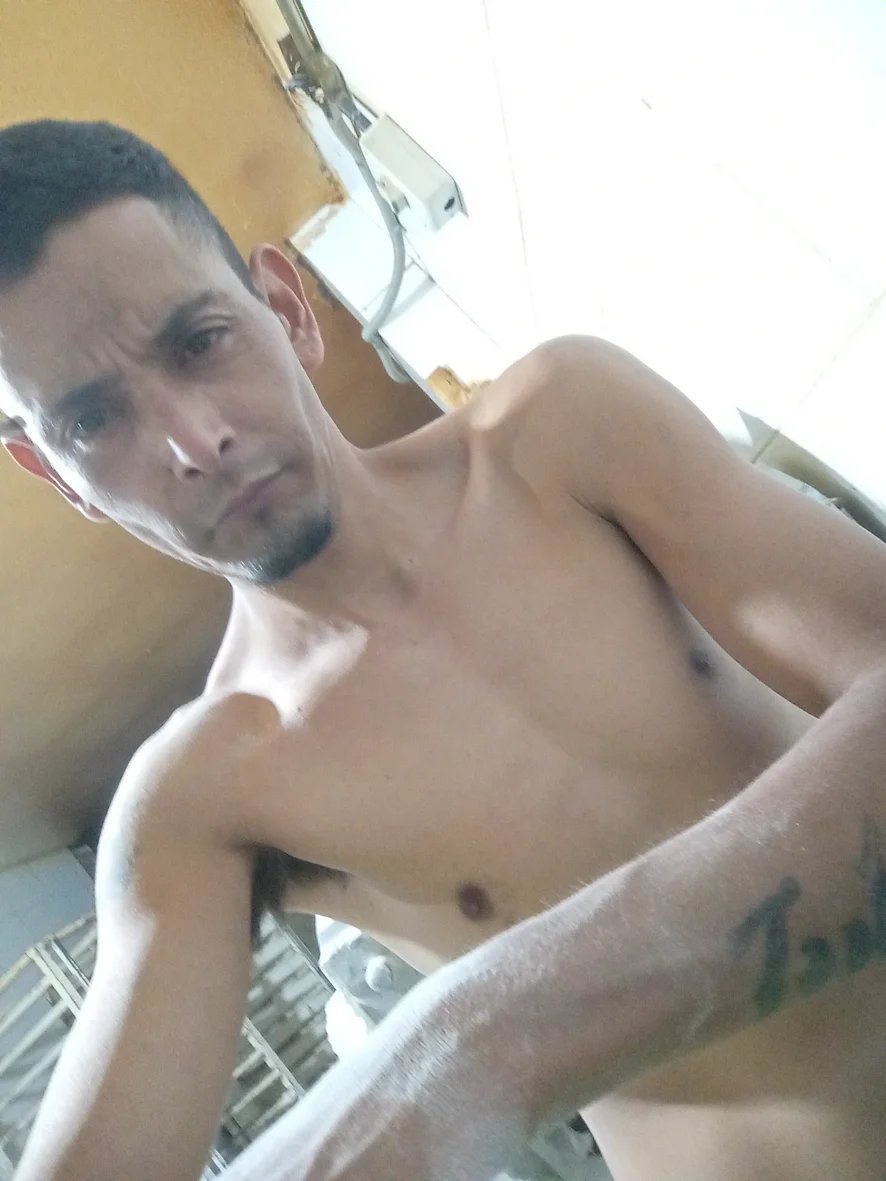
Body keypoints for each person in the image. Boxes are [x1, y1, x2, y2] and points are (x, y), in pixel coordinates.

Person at [1, 119, 885, 1181]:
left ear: (286, 307)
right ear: (55, 475)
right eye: (92, 421)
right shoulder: (209, 795)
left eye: (199, 342)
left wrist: (465, 1046)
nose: (196, 442)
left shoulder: (560, 434)